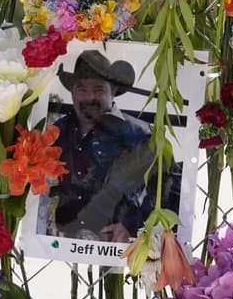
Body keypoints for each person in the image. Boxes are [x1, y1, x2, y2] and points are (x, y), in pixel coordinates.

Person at [47, 50, 180, 243]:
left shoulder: (142, 135)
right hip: (59, 244)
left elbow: (171, 188)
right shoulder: (54, 133)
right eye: (81, 89)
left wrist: (133, 225)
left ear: (113, 90)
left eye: (98, 89)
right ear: (72, 92)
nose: (89, 97)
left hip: (118, 247)